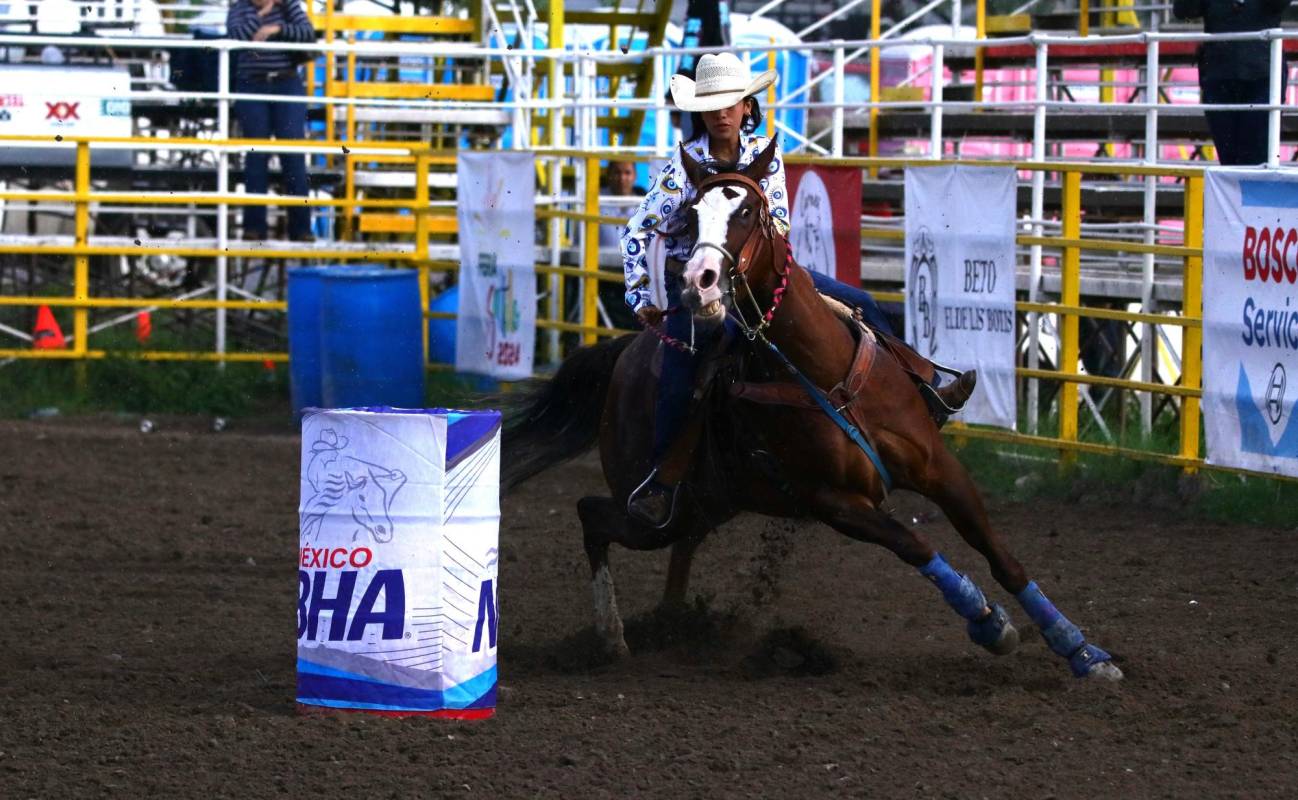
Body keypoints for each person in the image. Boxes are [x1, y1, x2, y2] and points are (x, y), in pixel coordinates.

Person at [620, 52, 975, 527]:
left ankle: (924, 390)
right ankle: (663, 478)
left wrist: (758, 268)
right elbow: (637, 231)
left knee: (863, 303)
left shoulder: (764, 156)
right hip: (702, 285)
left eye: (732, 102)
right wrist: (643, 297)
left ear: (748, 106)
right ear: (700, 111)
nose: (722, 112)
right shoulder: (682, 169)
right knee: (684, 368)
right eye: (712, 103)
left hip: (762, 277)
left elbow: (781, 222)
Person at [226, 0, 315, 241]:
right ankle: (254, 227)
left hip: (286, 82)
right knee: (256, 155)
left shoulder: (289, 6)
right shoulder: (239, 8)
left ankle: (302, 229)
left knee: (293, 154)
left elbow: (308, 32)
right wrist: (261, 15)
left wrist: (277, 29)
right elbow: (236, 37)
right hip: (252, 84)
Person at [1173, 0, 1291, 166]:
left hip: (1262, 76)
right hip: (1219, 75)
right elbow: (1184, 10)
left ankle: (1251, 190)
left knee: (1257, 159)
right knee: (1228, 160)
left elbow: (1277, 4)